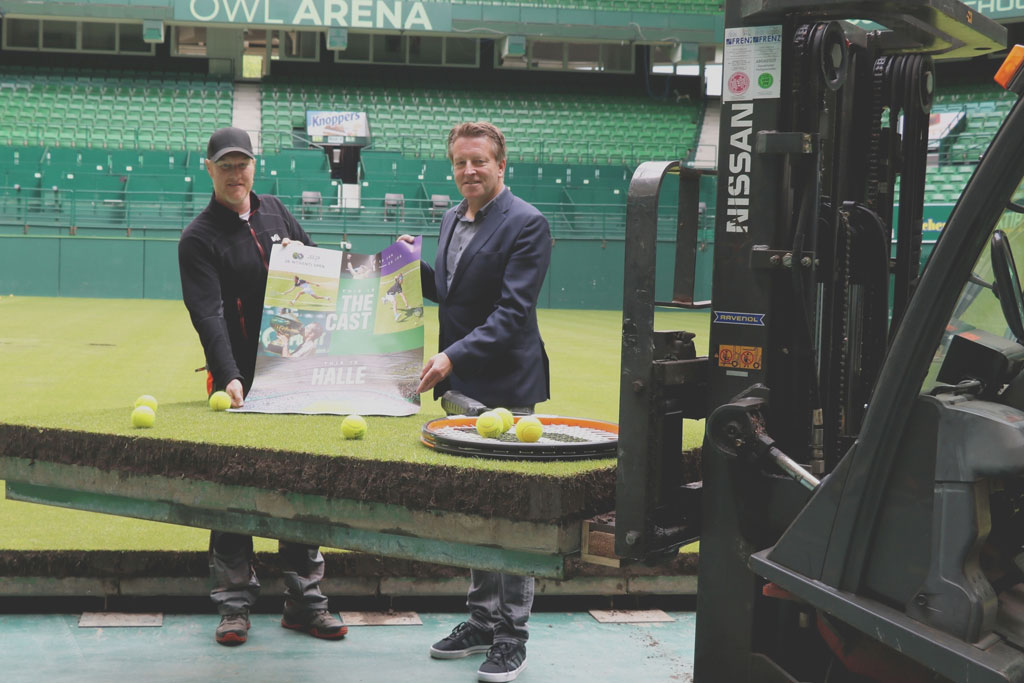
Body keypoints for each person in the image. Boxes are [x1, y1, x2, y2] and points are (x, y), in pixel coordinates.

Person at [178, 126, 347, 647]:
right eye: (225, 165)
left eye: (243, 163)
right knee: (232, 492)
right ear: (208, 169)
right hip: (238, 381)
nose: (236, 173)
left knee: (301, 484)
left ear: (256, 165)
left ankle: (305, 601)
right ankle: (233, 606)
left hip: (293, 374)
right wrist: (229, 375)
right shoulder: (198, 237)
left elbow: (318, 271)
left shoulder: (275, 210)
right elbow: (207, 315)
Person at [401, 121, 551, 683]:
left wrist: (449, 357)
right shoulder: (449, 217)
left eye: (479, 162)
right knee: (476, 509)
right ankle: (482, 620)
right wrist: (396, 264)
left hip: (508, 389)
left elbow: (513, 314)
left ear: (500, 165)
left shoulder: (528, 223)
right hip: (461, 388)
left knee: (512, 517)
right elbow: (454, 290)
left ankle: (513, 637)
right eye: (461, 162)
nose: (469, 171)